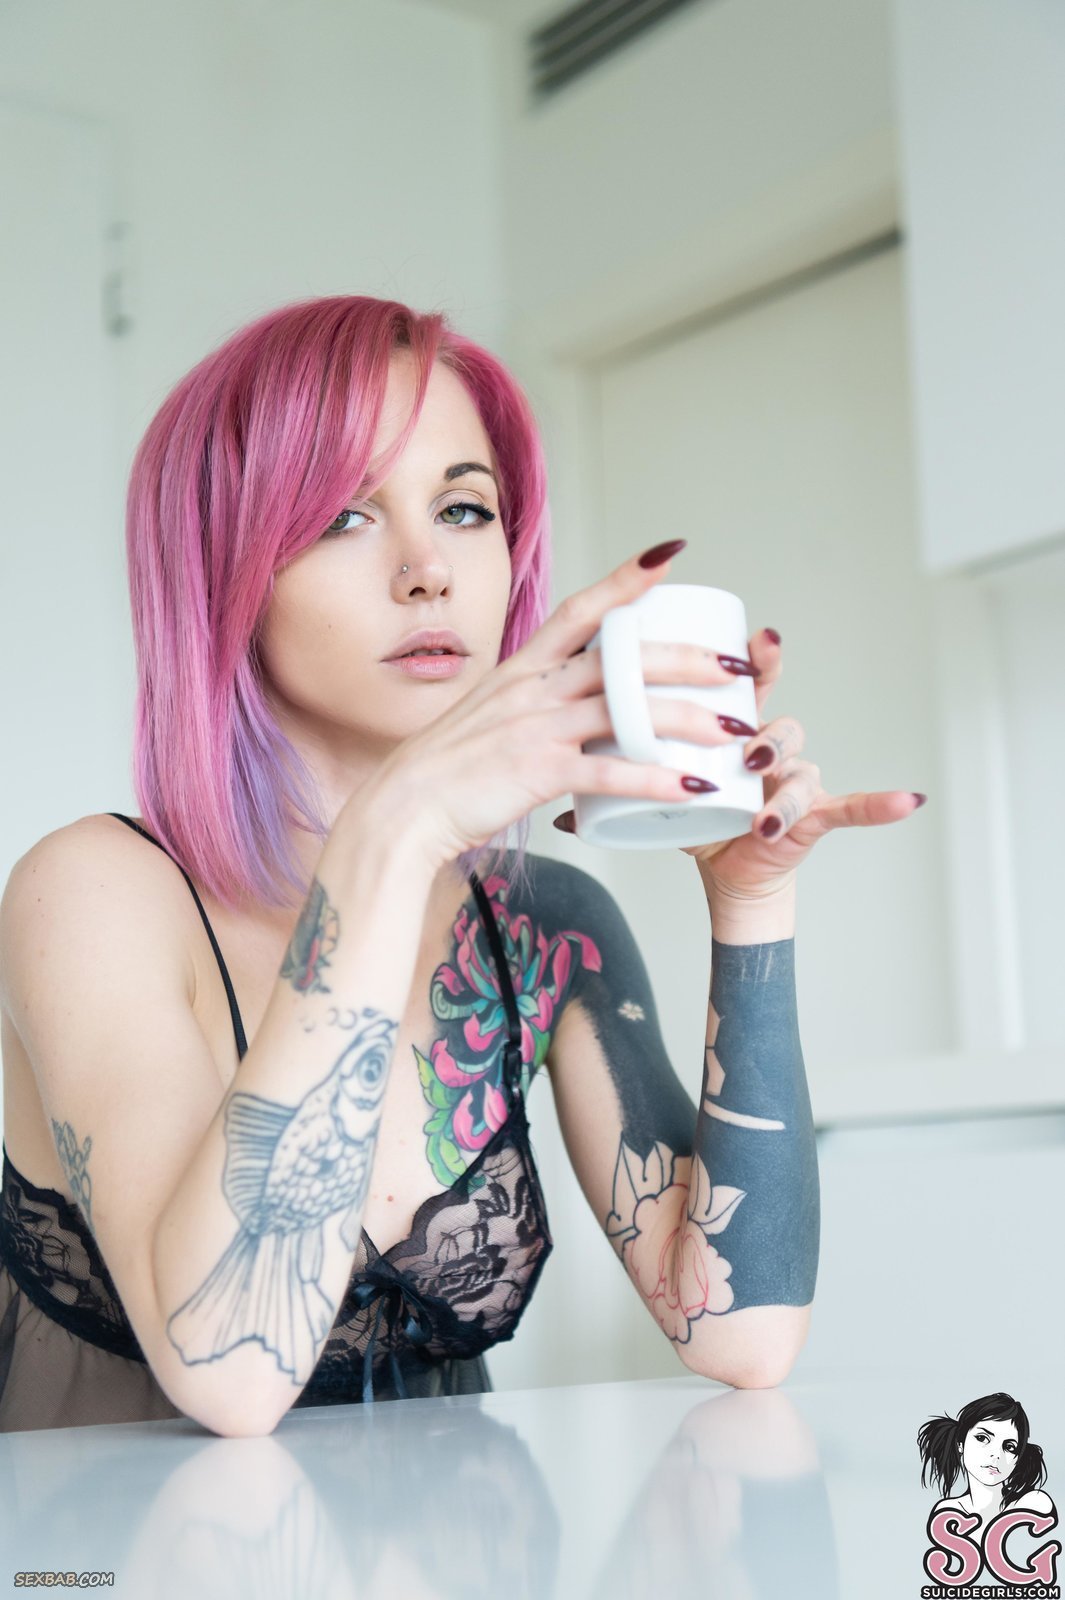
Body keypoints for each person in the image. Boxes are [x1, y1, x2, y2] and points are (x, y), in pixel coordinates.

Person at [0, 294, 923, 1436]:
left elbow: (743, 1331)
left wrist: (754, 900)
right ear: (222, 570)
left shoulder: (541, 923)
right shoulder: (93, 895)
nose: (428, 569)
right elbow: (229, 1376)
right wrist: (400, 825)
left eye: (464, 507)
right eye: (343, 516)